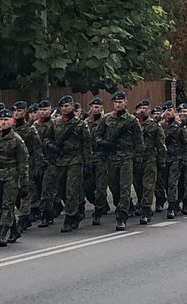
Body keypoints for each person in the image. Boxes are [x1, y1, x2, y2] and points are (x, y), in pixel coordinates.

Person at [95, 91, 143, 230]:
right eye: (116, 102)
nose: (118, 104)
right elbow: (98, 135)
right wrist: (103, 143)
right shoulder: (106, 119)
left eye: (120, 102)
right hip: (111, 158)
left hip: (127, 157)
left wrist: (138, 159)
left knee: (125, 188)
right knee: (114, 187)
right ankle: (123, 204)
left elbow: (138, 141)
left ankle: (122, 216)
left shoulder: (132, 120)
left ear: (126, 102)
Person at [44, 95, 92, 233]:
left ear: (72, 106)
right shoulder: (55, 123)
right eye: (62, 106)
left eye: (67, 106)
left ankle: (70, 218)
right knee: (61, 190)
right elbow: (47, 139)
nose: (64, 109)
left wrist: (87, 163)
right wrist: (52, 146)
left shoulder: (80, 124)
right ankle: (74, 210)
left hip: (74, 160)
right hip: (59, 161)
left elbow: (87, 145)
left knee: (71, 190)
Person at [0, 109, 29, 246]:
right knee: (1, 201)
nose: (4, 122)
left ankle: (3, 233)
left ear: (12, 121)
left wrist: (24, 184)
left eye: (7, 119)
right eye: (1, 120)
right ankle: (15, 229)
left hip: (11, 175)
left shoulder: (16, 139)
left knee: (8, 204)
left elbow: (23, 163)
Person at [11, 101, 43, 233]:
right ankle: (26, 213)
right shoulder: (9, 129)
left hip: (27, 165)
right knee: (15, 194)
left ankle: (23, 218)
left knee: (25, 192)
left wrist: (38, 167)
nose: (16, 113)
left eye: (19, 111)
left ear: (24, 112)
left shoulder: (30, 130)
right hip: (12, 167)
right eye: (14, 111)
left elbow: (37, 150)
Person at [134, 100, 166, 224]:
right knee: (138, 185)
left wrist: (162, 160)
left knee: (148, 185)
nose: (143, 110)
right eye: (141, 108)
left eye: (146, 108)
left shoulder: (154, 126)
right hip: (135, 159)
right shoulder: (132, 123)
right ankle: (140, 203)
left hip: (150, 159)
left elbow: (161, 144)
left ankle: (146, 210)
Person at [159, 101, 187, 218]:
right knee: (166, 183)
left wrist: (185, 158)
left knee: (173, 183)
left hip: (176, 158)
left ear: (174, 112)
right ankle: (175, 202)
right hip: (164, 159)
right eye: (166, 110)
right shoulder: (160, 126)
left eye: (170, 110)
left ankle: (171, 206)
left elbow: (186, 142)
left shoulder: (179, 126)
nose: (168, 112)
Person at [84, 97, 110, 225]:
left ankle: (98, 211)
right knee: (88, 187)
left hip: (101, 158)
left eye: (97, 107)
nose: (95, 109)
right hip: (89, 158)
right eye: (93, 107)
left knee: (101, 187)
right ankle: (100, 204)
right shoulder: (85, 122)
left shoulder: (106, 122)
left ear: (102, 108)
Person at [34, 100, 58, 227]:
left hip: (51, 162)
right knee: (37, 189)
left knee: (46, 190)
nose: (43, 112)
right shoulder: (34, 126)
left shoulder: (55, 125)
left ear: (50, 110)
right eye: (41, 110)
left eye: (45, 110)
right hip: (38, 162)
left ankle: (46, 214)